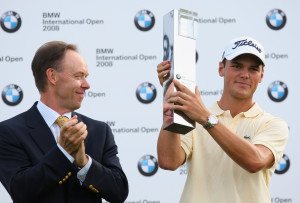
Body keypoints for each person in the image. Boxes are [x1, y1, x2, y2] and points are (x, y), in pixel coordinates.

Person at [156, 36, 289, 202]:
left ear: (261, 75)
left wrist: (206, 118)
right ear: (221, 69)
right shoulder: (194, 115)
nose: (245, 75)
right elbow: (169, 161)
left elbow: (255, 161)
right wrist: (172, 101)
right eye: (236, 66)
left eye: (253, 69)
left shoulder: (272, 123)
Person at [0, 41, 128, 203]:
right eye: (78, 76)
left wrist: (84, 163)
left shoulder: (99, 131)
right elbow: (20, 191)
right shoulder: (9, 131)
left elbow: (119, 191)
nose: (87, 85)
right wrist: (63, 152)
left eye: (86, 77)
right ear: (52, 76)